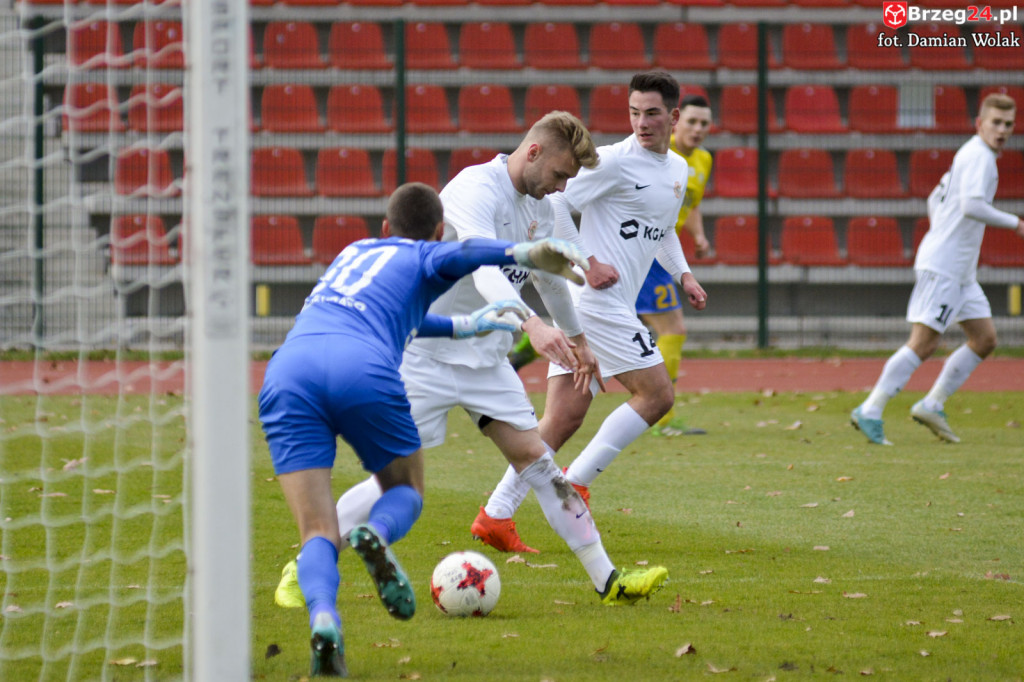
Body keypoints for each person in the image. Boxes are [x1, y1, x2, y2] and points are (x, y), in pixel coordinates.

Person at [274, 113, 671, 620]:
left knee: (539, 463)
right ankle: (307, 561)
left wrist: (576, 338)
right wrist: (531, 325)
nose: (563, 186)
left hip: (487, 361)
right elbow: (483, 267)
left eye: (569, 180)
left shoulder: (544, 206)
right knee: (392, 480)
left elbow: (552, 277)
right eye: (559, 174)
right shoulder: (472, 188)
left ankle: (608, 581)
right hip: (429, 354)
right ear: (533, 152)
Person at [258, 181, 593, 676]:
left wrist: (462, 326)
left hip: (288, 372)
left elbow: (389, 313)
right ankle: (376, 532)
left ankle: (324, 618)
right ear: (439, 231)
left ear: (384, 227)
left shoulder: (355, 252)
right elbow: (470, 254)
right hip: (362, 368)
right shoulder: (424, 255)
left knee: (316, 532)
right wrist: (524, 250)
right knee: (405, 491)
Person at [472, 72, 708, 553]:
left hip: (598, 306)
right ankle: (574, 486)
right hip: (595, 303)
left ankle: (495, 515)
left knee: (562, 419)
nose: (642, 123)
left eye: (652, 113)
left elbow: (662, 229)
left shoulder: (679, 170)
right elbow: (557, 202)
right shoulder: (616, 162)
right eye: (634, 112)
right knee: (658, 395)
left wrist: (683, 275)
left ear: (673, 117)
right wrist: (586, 258)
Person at [850, 93, 1023, 445]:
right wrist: (1016, 223)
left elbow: (935, 198)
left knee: (984, 339)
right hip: (945, 266)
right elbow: (972, 205)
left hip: (959, 269)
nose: (1002, 130)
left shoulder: (970, 153)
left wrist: (942, 228)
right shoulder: (981, 157)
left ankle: (932, 403)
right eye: (995, 123)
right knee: (924, 343)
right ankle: (870, 409)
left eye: (1008, 124)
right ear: (980, 123)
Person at [636, 93, 714, 437]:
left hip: (663, 252)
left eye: (705, 124)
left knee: (588, 329)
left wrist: (698, 236)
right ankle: (661, 419)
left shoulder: (702, 160)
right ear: (675, 121)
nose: (698, 130)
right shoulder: (656, 156)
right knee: (673, 330)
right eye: (692, 122)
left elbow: (691, 203)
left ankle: (525, 352)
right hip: (646, 252)